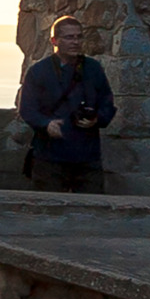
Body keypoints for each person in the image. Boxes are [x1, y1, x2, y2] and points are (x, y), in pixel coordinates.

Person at [17, 12, 115, 192]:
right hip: (50, 157)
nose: (75, 42)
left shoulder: (93, 69)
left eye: (79, 37)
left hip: (87, 157)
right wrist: (46, 124)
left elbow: (107, 104)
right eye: (69, 37)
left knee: (91, 206)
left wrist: (97, 118)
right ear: (54, 41)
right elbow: (27, 109)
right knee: (49, 206)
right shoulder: (39, 72)